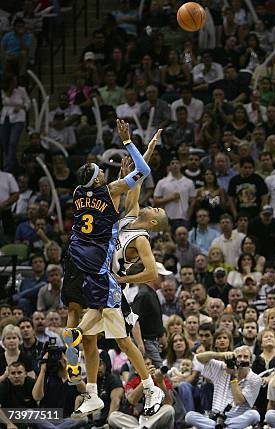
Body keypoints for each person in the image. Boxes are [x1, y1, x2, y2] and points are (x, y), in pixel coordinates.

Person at [59, 121, 165, 417]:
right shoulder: (115, 198)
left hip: (101, 278)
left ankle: (149, 387)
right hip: (96, 276)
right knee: (88, 337)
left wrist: (148, 150)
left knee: (114, 338)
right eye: (101, 172)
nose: (104, 171)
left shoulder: (81, 194)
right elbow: (139, 176)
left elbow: (134, 185)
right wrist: (132, 146)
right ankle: (92, 393)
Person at [185, 346, 262, 428]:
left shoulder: (255, 378)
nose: (242, 359)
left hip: (237, 419)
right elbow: (199, 358)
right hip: (216, 417)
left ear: (250, 361)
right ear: (234, 359)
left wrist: (233, 376)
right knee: (189, 416)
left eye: (246, 357)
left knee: (254, 415)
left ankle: (220, 427)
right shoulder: (222, 368)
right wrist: (221, 355)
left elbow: (238, 401)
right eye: (239, 356)